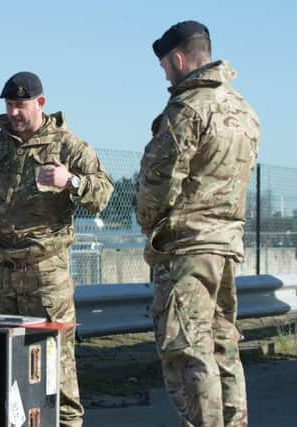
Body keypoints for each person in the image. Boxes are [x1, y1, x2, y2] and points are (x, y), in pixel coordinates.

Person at [0, 71, 114, 427]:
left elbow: (103, 194)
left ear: (40, 103)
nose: (14, 112)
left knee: (56, 368)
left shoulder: (68, 146)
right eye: (10, 105)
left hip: (44, 275)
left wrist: (71, 181)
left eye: (21, 105)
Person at [135, 21, 260, 427]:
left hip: (187, 250)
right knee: (224, 348)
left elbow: (157, 182)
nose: (166, 75)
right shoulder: (242, 108)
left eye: (165, 67)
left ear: (178, 59)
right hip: (225, 247)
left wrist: (149, 225)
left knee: (189, 352)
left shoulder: (187, 109)